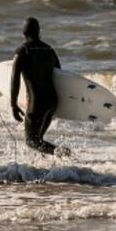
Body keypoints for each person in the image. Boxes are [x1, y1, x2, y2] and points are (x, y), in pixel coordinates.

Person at [10, 17, 69, 156]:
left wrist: (13, 105)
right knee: (39, 140)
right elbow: (59, 74)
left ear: (23, 33)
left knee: (32, 141)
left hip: (37, 103)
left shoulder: (23, 51)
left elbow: (14, 79)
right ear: (38, 32)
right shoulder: (49, 50)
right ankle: (48, 167)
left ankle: (62, 153)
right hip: (52, 101)